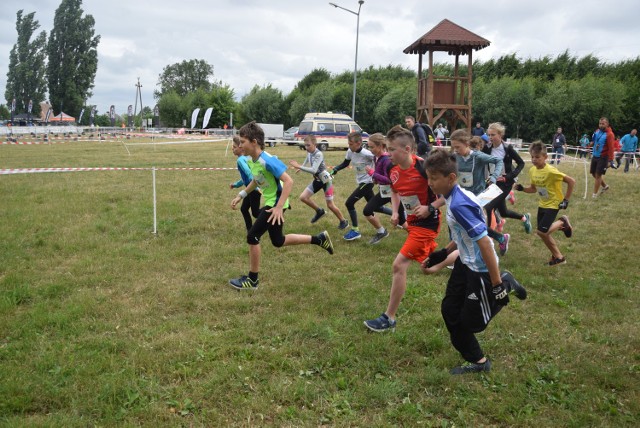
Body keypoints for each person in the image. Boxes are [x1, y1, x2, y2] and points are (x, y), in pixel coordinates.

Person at [422, 149, 527, 374]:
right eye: (428, 177)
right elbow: (462, 234)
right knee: (450, 309)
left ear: (451, 178)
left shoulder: (459, 204)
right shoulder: (453, 197)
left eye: (434, 178)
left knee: (473, 323)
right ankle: (479, 362)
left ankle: (507, 284)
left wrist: (497, 283)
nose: (429, 183)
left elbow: (486, 244)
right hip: (464, 263)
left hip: (480, 270)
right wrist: (443, 252)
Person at [229, 122, 334, 290]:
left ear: (254, 142)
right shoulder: (253, 160)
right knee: (278, 241)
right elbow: (257, 180)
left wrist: (278, 207)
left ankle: (253, 281)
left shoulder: (267, 160)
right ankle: (319, 239)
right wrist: (241, 195)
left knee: (252, 236)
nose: (240, 145)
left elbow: (289, 181)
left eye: (242, 141)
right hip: (273, 203)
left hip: (275, 205)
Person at [363, 125, 444, 332]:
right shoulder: (392, 168)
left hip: (427, 223)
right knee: (427, 267)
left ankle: (389, 318)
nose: (388, 153)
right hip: (412, 222)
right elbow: (395, 190)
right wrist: (397, 212)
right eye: (387, 149)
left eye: (391, 149)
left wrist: (430, 207)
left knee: (399, 265)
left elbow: (448, 193)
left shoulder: (425, 168)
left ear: (407, 149)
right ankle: (456, 255)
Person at [513, 141, 576, 266]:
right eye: (532, 157)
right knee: (542, 233)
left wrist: (566, 200)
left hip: (554, 204)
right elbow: (533, 189)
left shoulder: (551, 171)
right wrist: (521, 188)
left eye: (537, 157)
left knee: (542, 232)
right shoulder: (532, 171)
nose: (534, 160)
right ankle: (558, 256)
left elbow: (571, 181)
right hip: (543, 203)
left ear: (545, 157)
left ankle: (562, 223)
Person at [450, 129, 510, 250]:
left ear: (467, 144)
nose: (455, 150)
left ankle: (500, 239)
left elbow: (498, 161)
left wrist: (494, 176)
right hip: (462, 196)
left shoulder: (478, 156)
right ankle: (456, 251)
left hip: (478, 196)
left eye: (458, 147)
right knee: (456, 221)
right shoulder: (456, 157)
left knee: (475, 226)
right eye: (453, 147)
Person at [482, 122, 532, 254]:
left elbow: (521, 163)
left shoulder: (507, 148)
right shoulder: (487, 148)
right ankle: (524, 217)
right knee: (503, 212)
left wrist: (509, 177)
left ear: (500, 135)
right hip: (492, 184)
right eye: (489, 135)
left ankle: (496, 238)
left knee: (487, 207)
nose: (490, 137)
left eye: (493, 135)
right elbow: (482, 163)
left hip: (505, 184)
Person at [288, 134, 349, 229]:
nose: (306, 147)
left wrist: (299, 166)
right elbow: (307, 158)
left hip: (325, 181)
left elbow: (313, 170)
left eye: (308, 145)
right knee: (303, 197)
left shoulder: (319, 154)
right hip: (317, 180)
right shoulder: (309, 152)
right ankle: (319, 211)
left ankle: (343, 221)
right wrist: (301, 166)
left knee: (330, 205)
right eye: (305, 145)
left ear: (314, 144)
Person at [330, 132, 376, 241]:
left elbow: (380, 160)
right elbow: (345, 163)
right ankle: (401, 216)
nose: (349, 146)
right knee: (376, 206)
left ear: (359, 143)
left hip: (368, 182)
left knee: (349, 203)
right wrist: (335, 169)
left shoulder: (367, 154)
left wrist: (376, 173)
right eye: (348, 144)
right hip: (361, 182)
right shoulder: (350, 151)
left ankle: (355, 230)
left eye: (351, 144)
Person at [362, 133, 405, 244]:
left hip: (393, 192)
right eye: (369, 147)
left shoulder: (386, 160)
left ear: (381, 146)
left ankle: (420, 238)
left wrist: (372, 173)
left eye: (372, 147)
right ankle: (381, 231)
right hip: (384, 192)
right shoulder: (378, 158)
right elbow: (380, 176)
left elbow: (389, 180)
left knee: (403, 222)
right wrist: (375, 179)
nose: (370, 150)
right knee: (367, 210)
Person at [229, 136, 261, 231]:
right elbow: (244, 178)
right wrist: (236, 185)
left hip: (253, 189)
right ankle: (250, 230)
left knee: (256, 213)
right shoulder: (247, 158)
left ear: (241, 147)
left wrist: (256, 185)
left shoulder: (240, 160)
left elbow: (249, 173)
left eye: (234, 147)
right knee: (244, 209)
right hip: (250, 189)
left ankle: (271, 215)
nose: (233, 149)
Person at [590, 117, 615, 198]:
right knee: (593, 173)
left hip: (603, 157)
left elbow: (611, 148)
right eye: (600, 123)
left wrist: (610, 160)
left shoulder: (610, 134)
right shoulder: (597, 131)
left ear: (607, 124)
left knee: (598, 175)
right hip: (595, 155)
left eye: (603, 124)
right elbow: (595, 140)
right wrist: (591, 143)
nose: (601, 125)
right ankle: (605, 186)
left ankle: (594, 195)